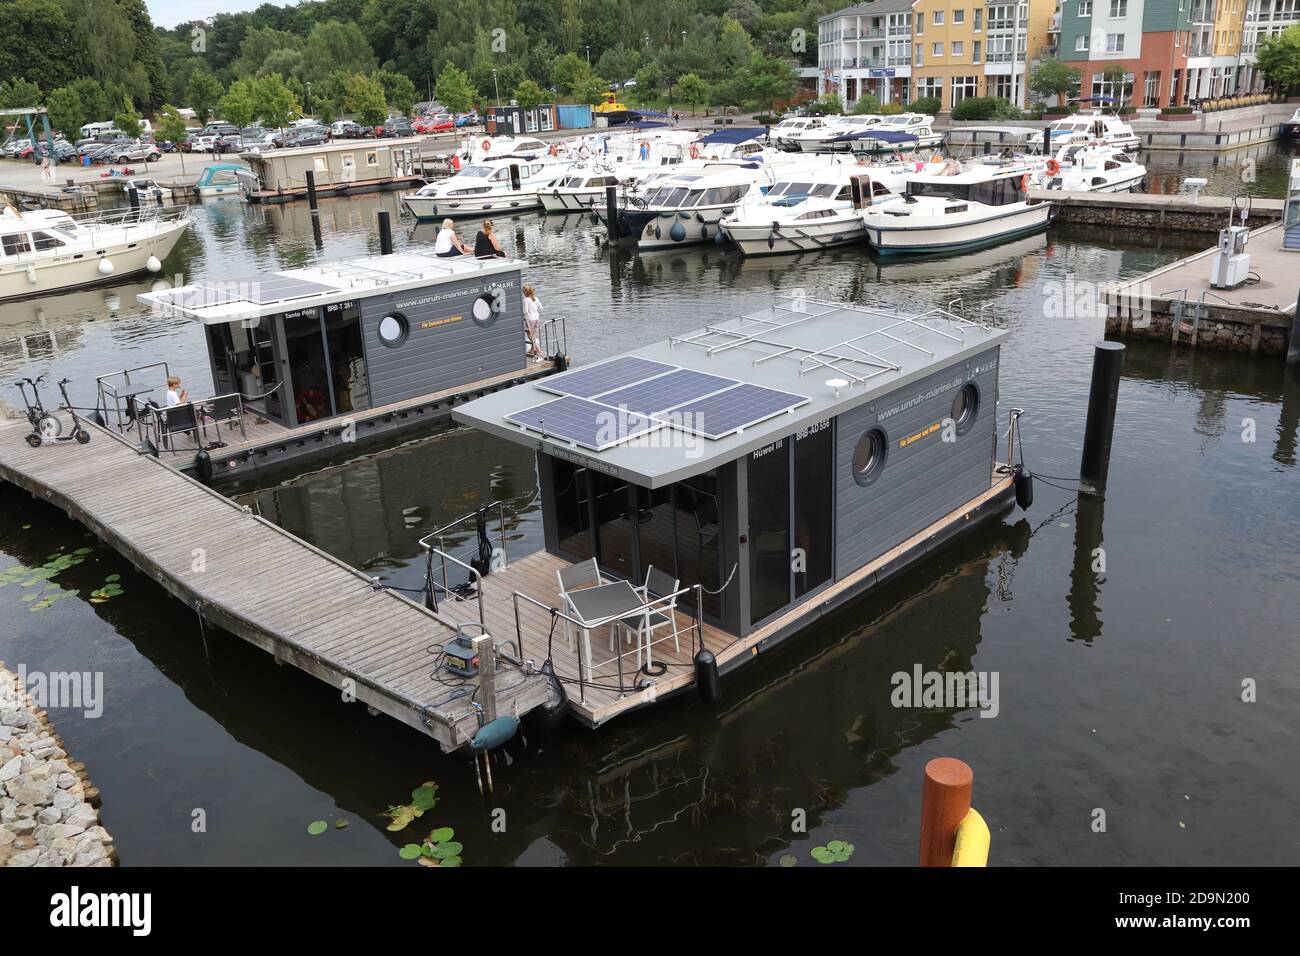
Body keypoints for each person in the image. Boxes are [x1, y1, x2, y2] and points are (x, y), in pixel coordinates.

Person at [522, 284, 543, 360]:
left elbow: (525, 311)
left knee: (529, 335)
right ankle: (532, 350)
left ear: (525, 292)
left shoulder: (525, 300)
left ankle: (537, 348)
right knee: (534, 335)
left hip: (530, 319)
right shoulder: (535, 298)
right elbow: (541, 307)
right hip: (537, 318)